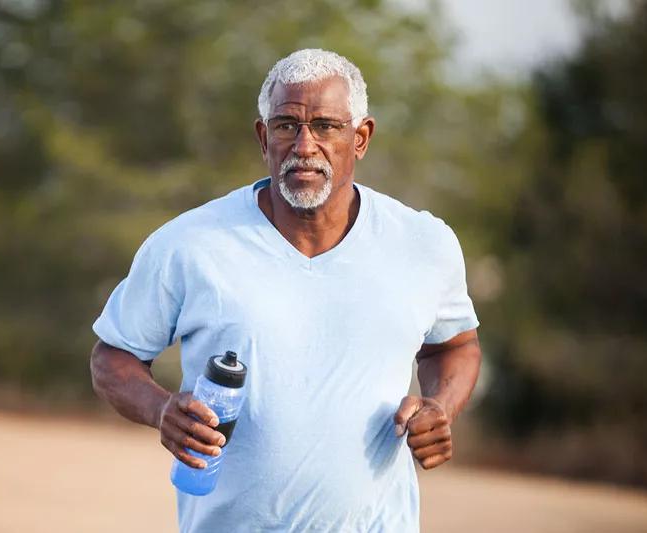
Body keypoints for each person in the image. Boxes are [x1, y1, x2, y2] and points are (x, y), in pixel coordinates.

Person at [90, 48, 482, 532]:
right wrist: (160, 409)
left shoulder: (423, 244)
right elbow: (112, 357)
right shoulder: (190, 244)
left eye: (325, 126)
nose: (304, 145)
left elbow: (456, 346)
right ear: (263, 136)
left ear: (360, 138)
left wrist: (439, 406)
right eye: (286, 126)